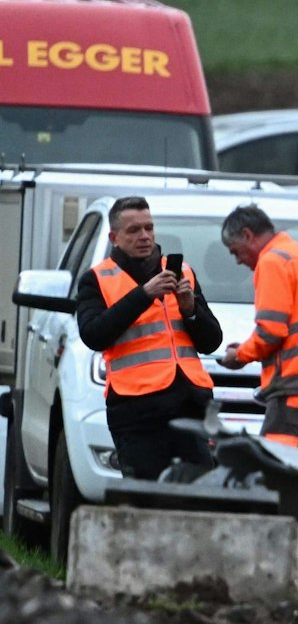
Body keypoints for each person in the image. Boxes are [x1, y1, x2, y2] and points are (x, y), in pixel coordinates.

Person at [76, 196, 224, 480]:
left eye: (149, 228)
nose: (144, 236)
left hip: (189, 403)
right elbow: (93, 335)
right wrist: (144, 295)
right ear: (114, 237)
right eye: (134, 230)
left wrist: (190, 308)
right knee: (145, 500)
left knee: (199, 500)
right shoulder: (98, 279)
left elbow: (211, 341)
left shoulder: (183, 271)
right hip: (137, 409)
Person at [215, 205, 298, 453]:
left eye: (235, 252)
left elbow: (270, 331)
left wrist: (239, 355)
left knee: (276, 475)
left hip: (295, 390)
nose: (239, 260)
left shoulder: (272, 261)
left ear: (248, 235)